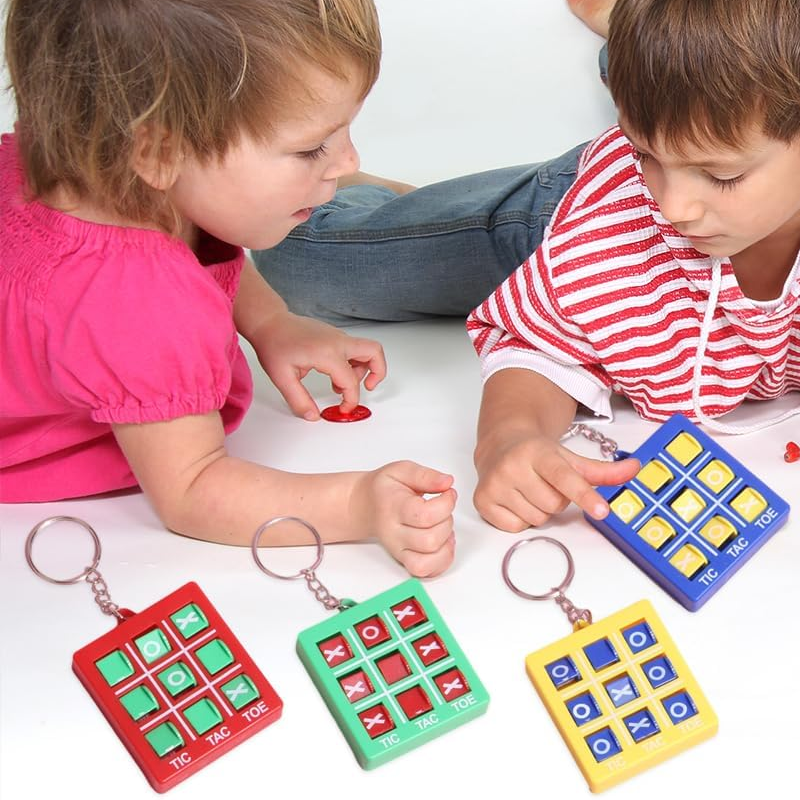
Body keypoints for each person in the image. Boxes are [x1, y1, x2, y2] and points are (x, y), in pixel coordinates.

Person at [0, 0, 456, 577]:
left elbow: (196, 236)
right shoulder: (138, 304)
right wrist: (354, 504)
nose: (349, 160)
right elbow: (192, 488)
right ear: (157, 151)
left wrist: (270, 322)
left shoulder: (88, 158)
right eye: (311, 147)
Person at [467, 0, 800, 534]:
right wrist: (507, 438)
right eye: (646, 154)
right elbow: (537, 344)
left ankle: (626, 29)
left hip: (674, 126)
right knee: (319, 263)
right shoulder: (609, 232)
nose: (674, 208)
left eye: (720, 175)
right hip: (547, 212)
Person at [252, 1, 614, 325]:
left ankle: (639, 28)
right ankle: (641, 27)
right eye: (312, 148)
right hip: (592, 201)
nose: (349, 160)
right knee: (296, 253)